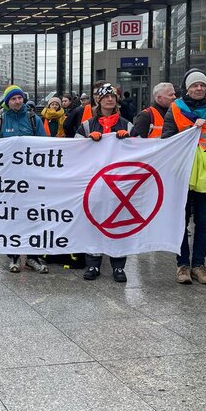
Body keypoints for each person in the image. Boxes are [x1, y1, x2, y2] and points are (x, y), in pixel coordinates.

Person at [161, 70, 206, 285]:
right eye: (194, 85)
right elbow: (167, 139)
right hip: (182, 171)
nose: (198, 89)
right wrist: (190, 131)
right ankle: (182, 264)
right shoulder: (176, 109)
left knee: (203, 222)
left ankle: (199, 265)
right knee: (181, 221)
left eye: (202, 85)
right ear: (187, 88)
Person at [0, 86, 47, 274]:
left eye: (20, 98)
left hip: (31, 179)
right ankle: (12, 255)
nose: (18, 101)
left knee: (32, 217)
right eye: (13, 99)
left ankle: (32, 256)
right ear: (7, 101)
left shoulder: (34, 119)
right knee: (11, 217)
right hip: (8, 180)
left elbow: (44, 147)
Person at [76, 83, 132, 282]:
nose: (110, 100)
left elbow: (139, 151)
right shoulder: (87, 125)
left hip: (119, 183)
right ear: (98, 100)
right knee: (94, 222)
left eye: (113, 97)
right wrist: (86, 142)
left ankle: (118, 266)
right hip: (95, 182)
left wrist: (129, 141)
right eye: (106, 97)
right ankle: (93, 264)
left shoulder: (126, 124)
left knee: (118, 223)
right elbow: (75, 150)